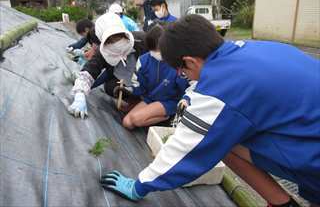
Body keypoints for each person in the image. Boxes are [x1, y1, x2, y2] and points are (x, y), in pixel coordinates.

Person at [100, 15, 320, 206]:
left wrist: (139, 186)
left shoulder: (221, 87)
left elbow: (185, 150)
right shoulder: (250, 49)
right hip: (308, 130)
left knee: (219, 142)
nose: (179, 76)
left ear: (189, 62)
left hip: (313, 155)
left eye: (179, 70)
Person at [68, 13, 145, 119]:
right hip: (127, 80)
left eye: (118, 38)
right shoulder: (102, 52)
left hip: (150, 80)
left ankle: (144, 100)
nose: (115, 42)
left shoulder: (142, 39)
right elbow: (89, 71)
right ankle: (134, 100)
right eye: (110, 41)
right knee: (110, 87)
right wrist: (80, 93)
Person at [113, 23, 189, 129]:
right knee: (127, 123)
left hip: (169, 101)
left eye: (158, 50)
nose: (155, 53)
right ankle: (161, 118)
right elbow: (139, 85)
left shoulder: (175, 61)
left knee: (136, 119)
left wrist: (185, 100)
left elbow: (186, 87)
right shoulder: (144, 60)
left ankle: (168, 117)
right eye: (153, 50)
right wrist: (128, 90)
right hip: (150, 99)